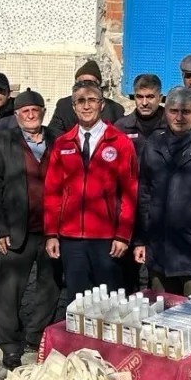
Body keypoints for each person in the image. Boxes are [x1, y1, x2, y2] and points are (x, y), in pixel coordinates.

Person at [44, 80, 139, 300]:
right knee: (78, 303)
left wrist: (123, 235)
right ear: (73, 106)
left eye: (92, 100)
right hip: (71, 239)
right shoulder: (62, 144)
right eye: (80, 101)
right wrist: (51, 234)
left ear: (102, 104)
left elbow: (130, 193)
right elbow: (52, 192)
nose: (86, 106)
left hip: (107, 238)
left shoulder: (120, 142)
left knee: (111, 303)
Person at [0, 90, 59, 369]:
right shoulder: (2, 141)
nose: (30, 115)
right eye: (24, 111)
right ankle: (10, 346)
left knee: (49, 288)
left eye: (35, 110)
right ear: (16, 115)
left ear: (43, 111)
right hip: (16, 230)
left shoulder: (57, 140)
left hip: (51, 230)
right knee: (9, 291)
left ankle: (36, 336)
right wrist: (0, 229)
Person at [135, 87, 191, 296]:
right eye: (173, 111)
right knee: (160, 318)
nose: (178, 117)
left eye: (186, 112)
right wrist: (141, 239)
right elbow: (145, 195)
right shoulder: (154, 145)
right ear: (165, 111)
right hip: (159, 249)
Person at [47, 60, 126, 140]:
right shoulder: (64, 106)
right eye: (82, 83)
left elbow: (120, 139)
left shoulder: (115, 109)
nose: (86, 86)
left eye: (91, 83)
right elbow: (54, 134)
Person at [115, 73, 167, 149]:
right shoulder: (121, 127)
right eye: (140, 97)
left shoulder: (172, 124)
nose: (144, 103)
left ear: (160, 98)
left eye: (150, 97)